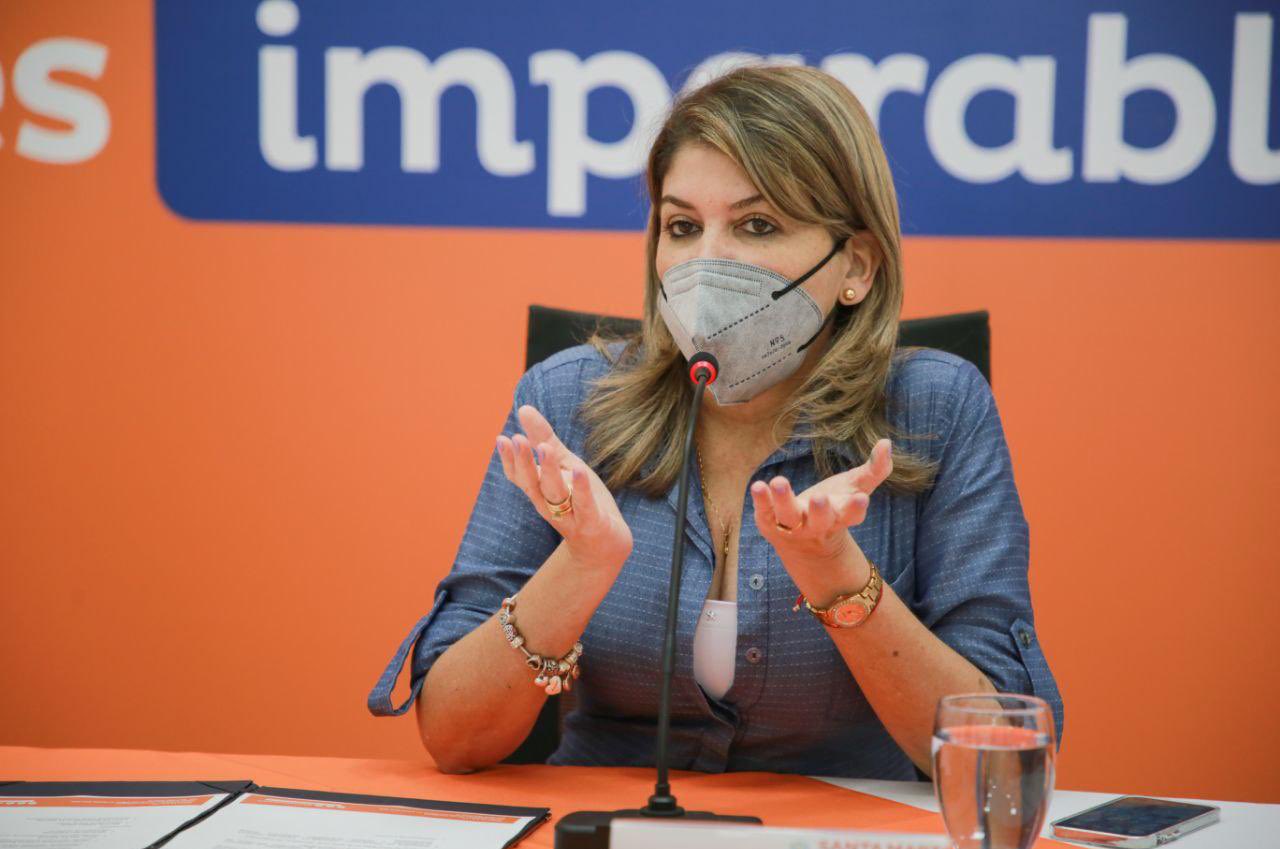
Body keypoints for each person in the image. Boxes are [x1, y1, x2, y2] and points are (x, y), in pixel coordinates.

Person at [368, 64, 1063, 779]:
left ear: (856, 265)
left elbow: (1000, 762)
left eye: (757, 225)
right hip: (608, 821)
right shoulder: (568, 400)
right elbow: (454, 735)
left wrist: (835, 574)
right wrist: (581, 565)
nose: (705, 264)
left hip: (842, 824)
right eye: (682, 226)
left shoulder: (935, 410)